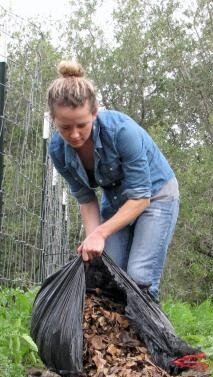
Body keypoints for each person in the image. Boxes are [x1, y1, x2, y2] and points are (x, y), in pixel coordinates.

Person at [46, 61, 180, 301]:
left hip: (156, 195)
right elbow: (86, 199)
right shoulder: (57, 150)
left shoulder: (121, 131)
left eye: (82, 125)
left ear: (95, 113)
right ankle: (115, 338)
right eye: (65, 127)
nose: (74, 134)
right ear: (53, 120)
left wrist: (101, 233)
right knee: (109, 272)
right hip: (116, 200)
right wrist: (92, 241)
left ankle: (150, 336)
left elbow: (141, 198)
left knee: (139, 277)